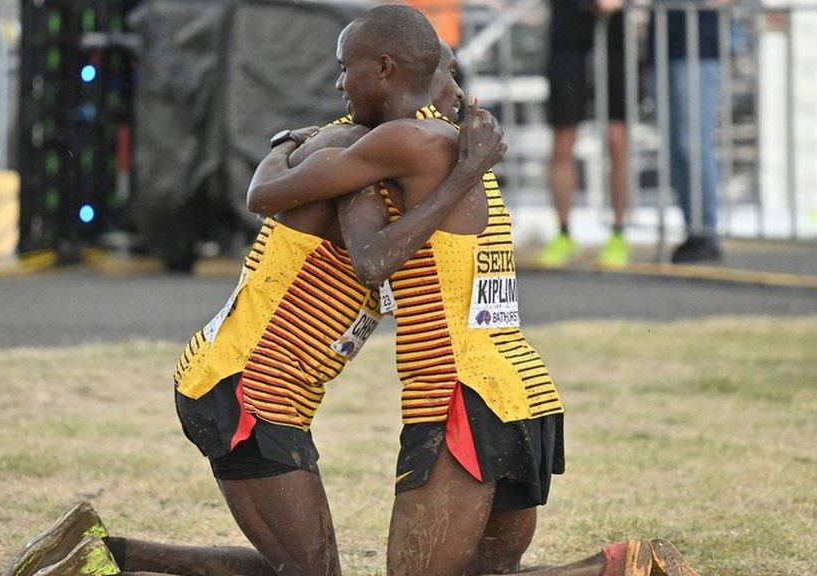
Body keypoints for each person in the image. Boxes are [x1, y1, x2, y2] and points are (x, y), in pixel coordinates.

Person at [0, 40, 507, 576]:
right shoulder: (358, 153)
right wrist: (463, 173)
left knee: (299, 567)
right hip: (250, 389)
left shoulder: (371, 152)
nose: (459, 90)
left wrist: (284, 141)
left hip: (253, 383)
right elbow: (353, 250)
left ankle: (103, 556)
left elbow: (271, 188)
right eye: (450, 73)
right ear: (406, 71)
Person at [249, 6, 701, 576]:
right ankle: (623, 566)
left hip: (455, 394)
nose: (339, 83)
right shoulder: (464, 143)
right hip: (522, 390)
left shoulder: (413, 142)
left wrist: (291, 143)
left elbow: (333, 237)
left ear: (390, 69)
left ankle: (619, 570)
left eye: (346, 69)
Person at [539, 0, 630, 268]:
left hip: (614, 38)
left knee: (617, 140)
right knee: (563, 142)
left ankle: (619, 231)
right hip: (567, 37)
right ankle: (563, 232)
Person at [649, 0, 722, 263]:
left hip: (699, 49)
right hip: (663, 47)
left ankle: (706, 231)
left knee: (691, 143)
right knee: (676, 147)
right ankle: (695, 229)